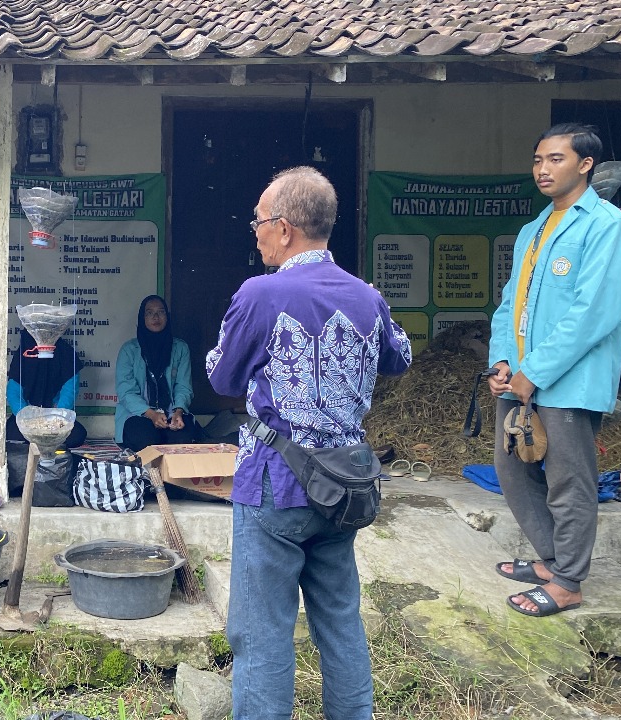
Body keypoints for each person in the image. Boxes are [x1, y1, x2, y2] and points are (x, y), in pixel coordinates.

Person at [206, 166, 412, 719]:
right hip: (344, 486)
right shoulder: (368, 296)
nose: (254, 231)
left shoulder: (262, 293)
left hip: (276, 482)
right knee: (341, 621)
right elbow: (400, 357)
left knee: (263, 631)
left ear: (285, 228)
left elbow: (223, 379)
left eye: (258, 220)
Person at [489, 123, 621, 618]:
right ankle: (554, 560)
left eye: (555, 159)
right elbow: (511, 300)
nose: (542, 169)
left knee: (568, 481)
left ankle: (570, 581)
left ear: (585, 164)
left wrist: (535, 372)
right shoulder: (536, 228)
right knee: (513, 469)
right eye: (537, 160)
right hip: (522, 379)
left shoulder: (609, 226)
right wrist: (503, 362)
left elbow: (593, 312)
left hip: (568, 385)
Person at [114, 295, 199, 451]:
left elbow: (183, 386)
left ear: (167, 317)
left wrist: (178, 412)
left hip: (171, 412)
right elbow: (126, 392)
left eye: (161, 312)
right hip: (138, 415)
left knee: (183, 440)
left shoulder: (180, 348)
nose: (155, 317)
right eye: (149, 313)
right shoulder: (129, 350)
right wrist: (151, 414)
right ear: (142, 317)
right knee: (146, 441)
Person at [6, 330, 86, 449]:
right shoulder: (25, 353)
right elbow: (13, 393)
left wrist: (53, 420)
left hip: (55, 419)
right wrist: (29, 420)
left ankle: (39, 443)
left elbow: (69, 393)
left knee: (77, 435)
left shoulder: (66, 355)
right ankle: (43, 443)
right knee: (10, 433)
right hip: (27, 419)